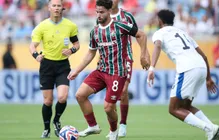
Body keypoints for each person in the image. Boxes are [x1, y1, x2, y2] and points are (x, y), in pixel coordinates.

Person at [67, 0, 150, 140]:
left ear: (109, 11)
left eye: (101, 12)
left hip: (117, 73)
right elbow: (90, 53)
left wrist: (143, 55)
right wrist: (77, 70)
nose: (98, 15)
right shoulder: (95, 31)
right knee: (80, 95)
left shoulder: (120, 25)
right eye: (97, 12)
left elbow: (141, 35)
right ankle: (93, 126)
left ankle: (114, 131)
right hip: (101, 71)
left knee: (108, 107)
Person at [147, 9, 219, 140]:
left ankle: (210, 128)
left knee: (173, 108)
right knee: (186, 106)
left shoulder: (159, 33)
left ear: (160, 21)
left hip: (187, 69)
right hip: (201, 66)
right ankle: (215, 129)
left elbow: (158, 46)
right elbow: (204, 56)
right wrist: (208, 78)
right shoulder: (182, 32)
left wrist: (151, 68)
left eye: (157, 19)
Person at [29, 0, 80, 138]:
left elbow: (76, 43)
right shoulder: (41, 26)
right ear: (49, 8)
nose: (56, 8)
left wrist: (72, 50)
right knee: (48, 101)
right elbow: (32, 46)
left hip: (63, 65)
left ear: (62, 8)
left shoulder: (70, 25)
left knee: (63, 97)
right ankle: (46, 128)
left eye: (59, 6)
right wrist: (36, 56)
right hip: (47, 66)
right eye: (54, 6)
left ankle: (56, 120)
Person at [105, 0, 139, 138]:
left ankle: (123, 124)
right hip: (109, 61)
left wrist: (144, 54)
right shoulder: (102, 17)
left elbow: (138, 34)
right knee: (111, 95)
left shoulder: (127, 16)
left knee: (124, 90)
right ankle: (112, 129)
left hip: (125, 58)